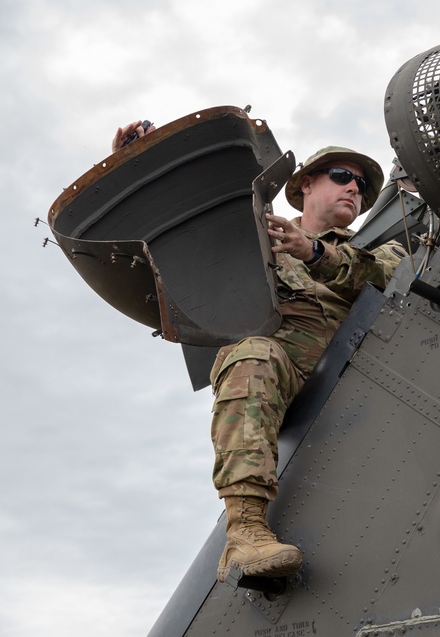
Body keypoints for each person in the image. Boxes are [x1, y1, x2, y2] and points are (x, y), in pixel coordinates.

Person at [113, 123, 405, 582]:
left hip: (352, 377)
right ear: (306, 182)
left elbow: (383, 278)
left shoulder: (377, 250)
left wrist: (313, 253)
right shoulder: (258, 233)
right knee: (252, 356)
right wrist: (138, 160)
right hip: (279, 372)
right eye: (341, 175)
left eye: (363, 185)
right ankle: (245, 532)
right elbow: (190, 240)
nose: (355, 188)